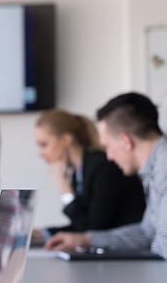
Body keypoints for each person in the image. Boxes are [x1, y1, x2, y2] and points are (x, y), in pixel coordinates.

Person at [44, 92, 167, 259]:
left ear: (125, 141)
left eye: (108, 146)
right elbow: (147, 232)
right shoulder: (155, 167)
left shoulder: (164, 171)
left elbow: (163, 250)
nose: (109, 156)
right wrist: (86, 240)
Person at [32, 108, 145, 244]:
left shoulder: (104, 167)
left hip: (130, 256)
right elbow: (81, 226)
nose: (40, 153)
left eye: (44, 145)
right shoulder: (79, 173)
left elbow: (92, 231)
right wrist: (43, 233)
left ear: (66, 140)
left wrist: (64, 190)